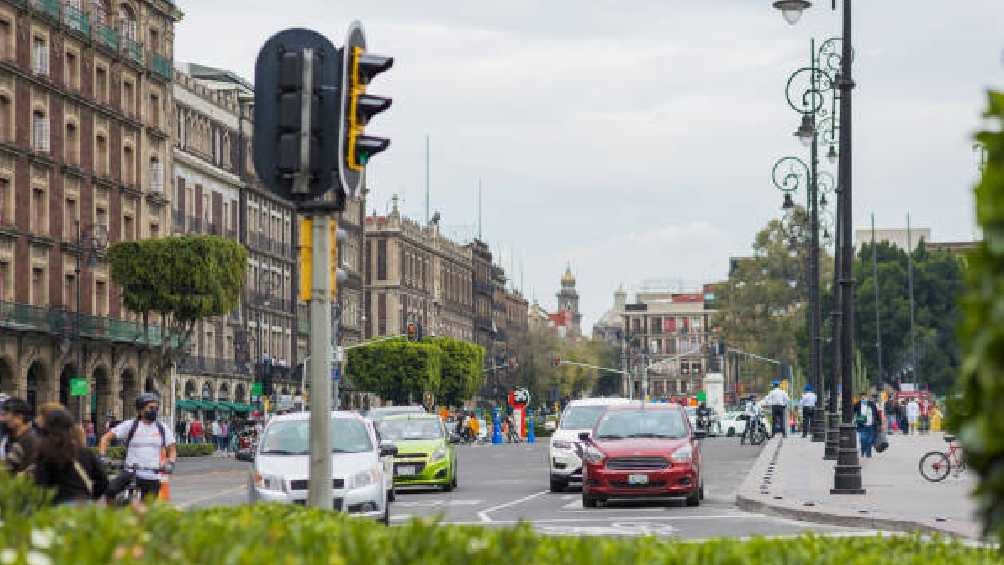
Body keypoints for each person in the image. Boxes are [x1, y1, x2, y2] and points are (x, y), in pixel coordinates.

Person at [98, 393, 177, 501]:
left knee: (147, 510)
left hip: (152, 475)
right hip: (130, 472)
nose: (154, 410)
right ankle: (111, 515)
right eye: (151, 408)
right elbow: (105, 438)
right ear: (140, 410)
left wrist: (170, 462)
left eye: (156, 408)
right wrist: (102, 456)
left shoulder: (162, 428)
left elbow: (172, 449)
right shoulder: (130, 425)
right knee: (110, 490)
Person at [33, 408, 108, 505]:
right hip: (85, 506)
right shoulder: (85, 452)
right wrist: (91, 497)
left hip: (59, 507)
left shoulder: (46, 452)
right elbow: (103, 481)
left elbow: (41, 485)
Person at [2, 397, 38, 475]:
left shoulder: (31, 439)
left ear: (19, 416)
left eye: (6, 414)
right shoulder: (11, 437)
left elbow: (36, 468)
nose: (4, 419)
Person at [854, 392, 881, 458]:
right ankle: (863, 451)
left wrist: (879, 423)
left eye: (864, 397)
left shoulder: (871, 404)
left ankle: (868, 453)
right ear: (860, 398)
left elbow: (876, 414)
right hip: (862, 425)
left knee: (870, 440)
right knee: (863, 439)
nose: (863, 398)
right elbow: (852, 412)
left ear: (867, 397)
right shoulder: (857, 404)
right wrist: (856, 419)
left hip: (871, 425)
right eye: (862, 397)